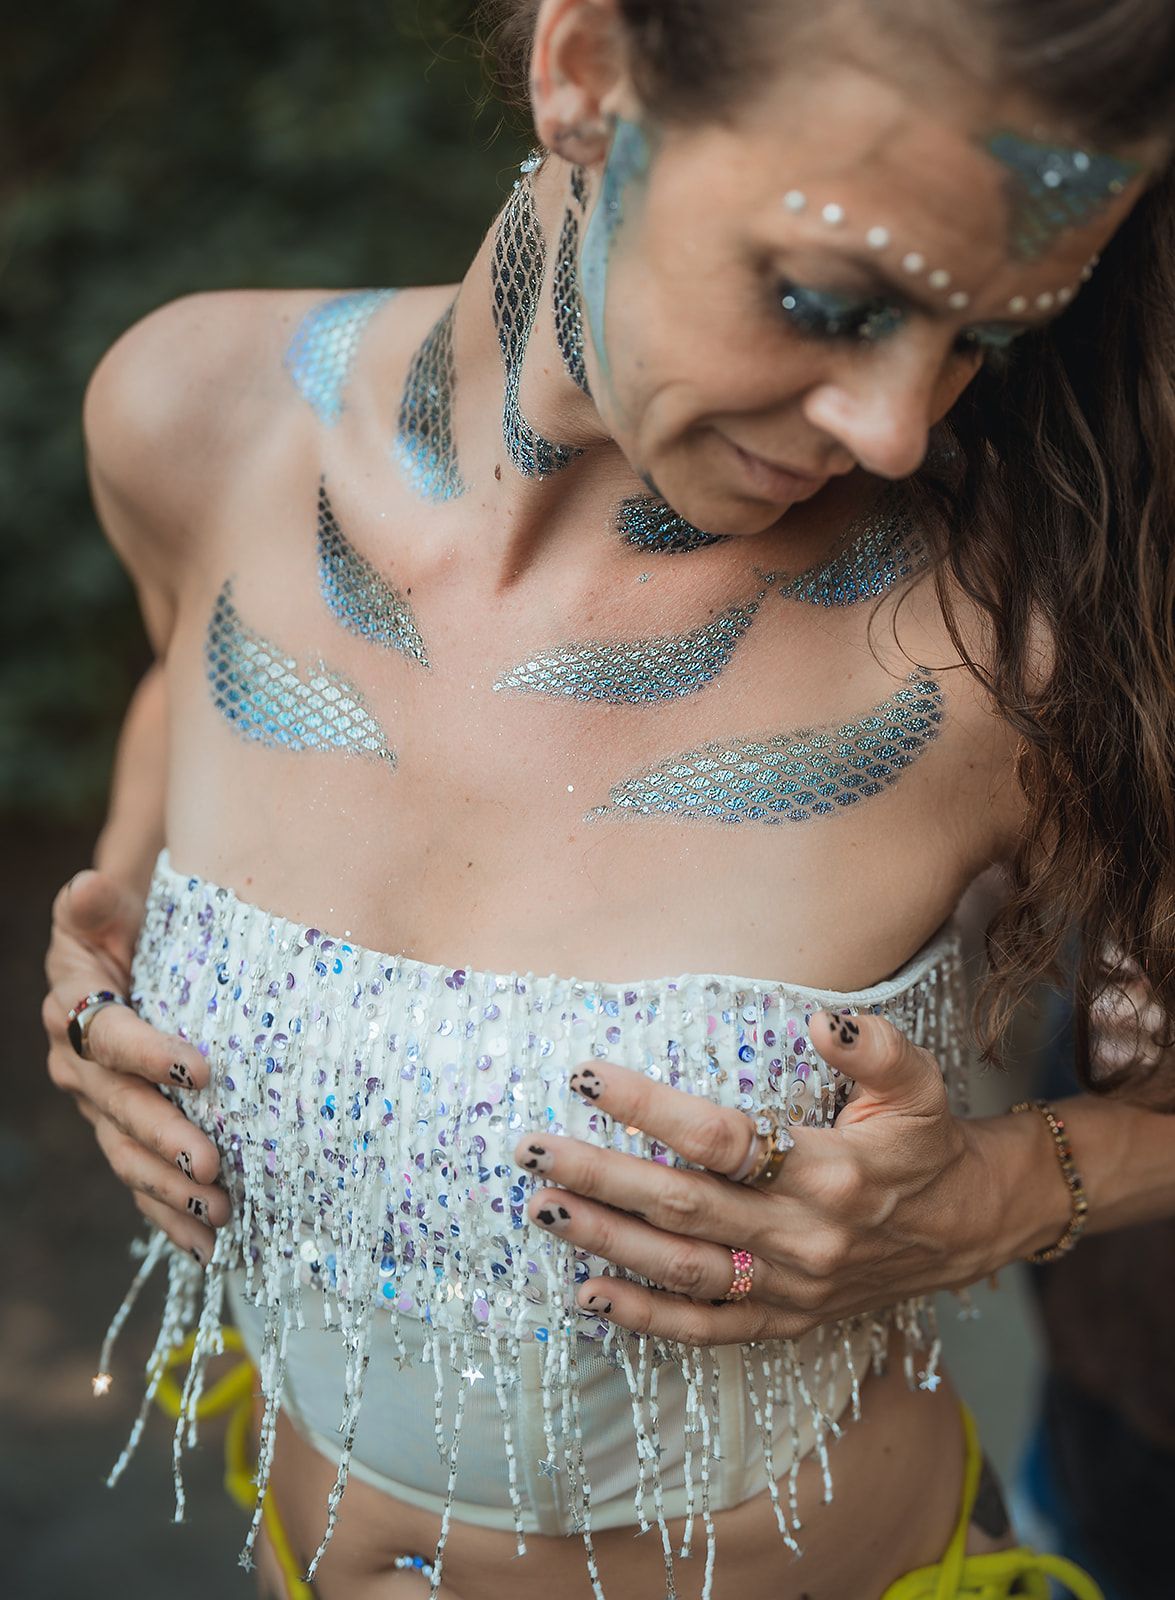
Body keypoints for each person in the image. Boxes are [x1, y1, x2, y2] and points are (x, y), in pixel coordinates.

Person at [40, 1, 1175, 1596]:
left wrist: (997, 1195)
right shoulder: (191, 416)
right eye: (826, 300)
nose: (902, 426)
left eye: (981, 335)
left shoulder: (1006, 643)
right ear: (586, 75)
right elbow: (175, 708)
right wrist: (105, 971)